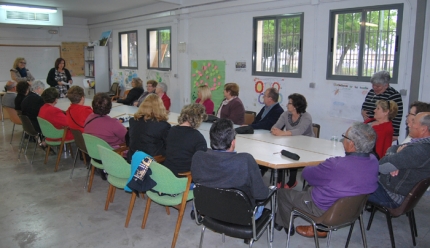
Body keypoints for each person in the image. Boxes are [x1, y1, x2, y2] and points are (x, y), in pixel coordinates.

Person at [275, 122, 379, 237]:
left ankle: (283, 224)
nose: (342, 140)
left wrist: (321, 165)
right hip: (352, 210)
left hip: (324, 210)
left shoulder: (336, 165)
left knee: (282, 193)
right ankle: (297, 211)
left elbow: (306, 174)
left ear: (352, 144)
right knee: (311, 187)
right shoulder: (374, 161)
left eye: (345, 137)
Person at [191, 118, 269, 219]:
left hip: (209, 211)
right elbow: (262, 195)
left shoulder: (198, 157)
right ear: (233, 142)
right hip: (243, 216)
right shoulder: (245, 161)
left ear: (211, 139)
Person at [368, 112, 430, 209]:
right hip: (396, 191)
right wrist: (396, 156)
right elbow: (394, 147)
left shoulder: (419, 150)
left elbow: (381, 166)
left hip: (391, 196)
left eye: (413, 122)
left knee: (352, 179)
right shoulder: (421, 144)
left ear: (424, 129)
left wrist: (394, 159)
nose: (409, 124)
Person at [271, 93, 314, 188]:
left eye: (289, 103)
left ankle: (292, 181)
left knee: (293, 153)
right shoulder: (286, 114)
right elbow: (276, 126)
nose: (287, 105)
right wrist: (275, 130)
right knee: (281, 152)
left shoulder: (306, 116)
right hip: (290, 141)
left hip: (306, 144)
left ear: (296, 106)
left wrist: (283, 133)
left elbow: (300, 130)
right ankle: (279, 180)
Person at [164, 103, 207, 177]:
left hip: (167, 173)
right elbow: (201, 163)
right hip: (184, 178)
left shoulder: (171, 130)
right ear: (198, 119)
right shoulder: (198, 138)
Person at [127, 94, 171, 162]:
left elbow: (128, 139)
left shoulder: (133, 121)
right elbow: (168, 145)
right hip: (152, 162)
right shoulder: (163, 125)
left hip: (133, 158)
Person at [361, 70, 403, 140]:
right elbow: (365, 105)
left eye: (378, 86)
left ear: (386, 85)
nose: (375, 88)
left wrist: (394, 134)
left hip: (383, 130)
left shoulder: (394, 95)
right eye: (373, 85)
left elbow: (397, 116)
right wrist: (363, 111)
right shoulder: (372, 92)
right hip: (369, 127)